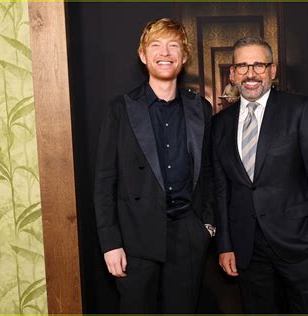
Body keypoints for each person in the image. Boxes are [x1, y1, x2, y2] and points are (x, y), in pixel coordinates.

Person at [93, 18, 215, 313]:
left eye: (174, 46)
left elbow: (210, 172)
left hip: (187, 234)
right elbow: (104, 181)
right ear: (143, 54)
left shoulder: (201, 108)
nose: (165, 53)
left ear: (184, 57)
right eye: (156, 45)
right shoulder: (120, 109)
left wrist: (207, 227)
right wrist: (110, 243)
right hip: (135, 237)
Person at [212, 36, 308, 313]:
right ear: (232, 73)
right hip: (247, 247)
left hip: (299, 242)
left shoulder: (300, 110)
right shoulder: (220, 124)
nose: (251, 74)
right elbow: (222, 189)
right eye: (242, 66)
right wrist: (225, 244)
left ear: (273, 70)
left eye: (259, 65)